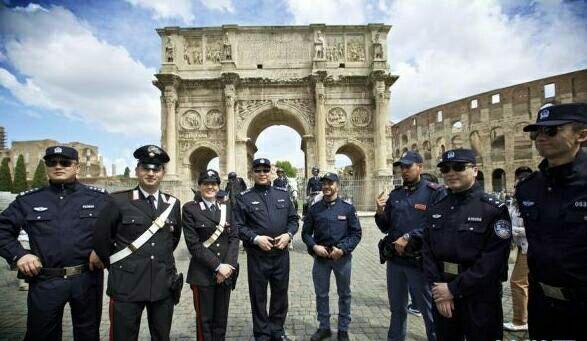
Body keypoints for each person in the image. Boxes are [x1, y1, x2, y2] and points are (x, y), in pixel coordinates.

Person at [0, 145, 108, 340]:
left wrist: (103, 250)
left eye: (65, 162)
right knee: (41, 335)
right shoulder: (29, 200)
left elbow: (119, 230)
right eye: (52, 162)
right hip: (45, 280)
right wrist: (19, 254)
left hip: (87, 279)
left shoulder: (99, 198)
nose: (58, 166)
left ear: (77, 167)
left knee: (88, 335)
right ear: (47, 166)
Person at [93, 145, 182, 341]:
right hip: (127, 284)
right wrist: (120, 267)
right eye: (146, 168)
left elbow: (172, 241)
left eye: (156, 169)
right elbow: (101, 240)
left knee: (161, 336)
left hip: (162, 284)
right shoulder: (118, 201)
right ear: (137, 171)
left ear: (163, 173)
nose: (151, 173)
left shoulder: (173, 204)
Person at [422, 148, 511, 341]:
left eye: (459, 167)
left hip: (479, 297)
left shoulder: (492, 209)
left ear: (475, 170)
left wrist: (453, 290)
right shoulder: (437, 208)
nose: (451, 173)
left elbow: (493, 261)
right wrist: (439, 289)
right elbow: (427, 251)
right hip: (443, 293)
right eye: (445, 169)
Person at [515, 103, 587, 340]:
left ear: (582, 134)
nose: (541, 138)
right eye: (537, 132)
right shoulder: (528, 188)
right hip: (543, 303)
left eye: (552, 131)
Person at [375, 151, 445, 341]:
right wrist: (380, 212)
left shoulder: (434, 192)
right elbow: (385, 227)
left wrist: (409, 236)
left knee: (428, 308)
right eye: (401, 167)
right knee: (397, 308)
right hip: (396, 261)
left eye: (408, 167)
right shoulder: (396, 194)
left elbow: (437, 224)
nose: (404, 171)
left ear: (420, 167)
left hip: (420, 261)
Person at [233, 158, 299, 341]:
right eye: (258, 170)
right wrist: (255, 238)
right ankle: (262, 333)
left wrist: (288, 235)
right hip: (257, 255)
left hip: (280, 254)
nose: (262, 173)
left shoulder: (283, 194)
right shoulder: (244, 198)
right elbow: (237, 226)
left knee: (280, 293)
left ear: (271, 172)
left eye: (265, 170)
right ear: (252, 173)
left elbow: (293, 220)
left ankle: (277, 329)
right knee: (258, 295)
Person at [302, 172, 362, 341]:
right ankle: (324, 327)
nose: (326, 186)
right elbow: (306, 233)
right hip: (321, 258)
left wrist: (342, 249)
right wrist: (314, 246)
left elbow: (356, 233)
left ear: (337, 186)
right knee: (321, 294)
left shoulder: (347, 208)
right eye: (324, 183)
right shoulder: (315, 209)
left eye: (330, 183)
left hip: (341, 258)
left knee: (344, 294)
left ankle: (343, 329)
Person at [183, 169, 239, 341]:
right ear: (199, 186)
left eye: (213, 184)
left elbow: (234, 237)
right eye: (206, 184)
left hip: (226, 273)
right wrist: (218, 266)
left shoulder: (227, 207)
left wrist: (228, 266)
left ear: (218, 187)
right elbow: (194, 245)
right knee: (204, 321)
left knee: (221, 320)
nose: (210, 187)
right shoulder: (190, 209)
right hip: (203, 274)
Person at [503, 167, 532, 332]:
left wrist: (512, 230)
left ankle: (520, 321)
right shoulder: (515, 204)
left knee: (517, 282)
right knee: (524, 283)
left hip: (529, 248)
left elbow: (535, 228)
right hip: (521, 247)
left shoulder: (533, 202)